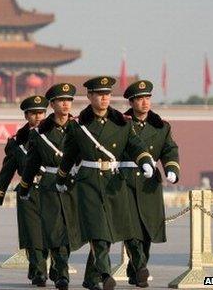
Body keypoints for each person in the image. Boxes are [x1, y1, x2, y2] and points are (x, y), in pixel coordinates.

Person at [55, 76, 155, 290]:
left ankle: (99, 277)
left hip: (114, 182)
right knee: (99, 232)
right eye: (99, 94)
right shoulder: (78, 126)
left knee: (125, 228)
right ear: (89, 96)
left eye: (107, 94)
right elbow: (69, 156)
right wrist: (61, 178)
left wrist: (145, 160)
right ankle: (104, 272)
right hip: (88, 183)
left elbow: (135, 145)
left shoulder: (122, 123)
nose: (104, 98)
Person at [18, 83, 83, 290]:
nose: (66, 104)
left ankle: (57, 268)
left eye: (69, 100)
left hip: (72, 186)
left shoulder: (81, 129)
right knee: (50, 231)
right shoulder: (41, 133)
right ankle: (58, 273)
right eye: (61, 101)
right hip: (48, 186)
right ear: (53, 104)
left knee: (68, 230)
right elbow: (31, 163)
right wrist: (25, 187)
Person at [120, 80, 180, 288]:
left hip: (149, 183)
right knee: (130, 227)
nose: (145, 103)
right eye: (140, 99)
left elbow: (169, 149)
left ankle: (135, 270)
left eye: (148, 98)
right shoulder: (121, 123)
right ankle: (140, 267)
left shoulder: (161, 126)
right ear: (132, 101)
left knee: (146, 230)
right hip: (125, 179)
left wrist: (171, 168)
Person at [0, 95, 50, 287]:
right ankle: (40, 271)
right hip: (28, 190)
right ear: (26, 116)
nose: (38, 116)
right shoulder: (17, 142)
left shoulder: (56, 134)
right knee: (32, 234)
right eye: (34, 113)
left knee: (51, 233)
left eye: (41, 112)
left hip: (51, 189)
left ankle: (41, 267)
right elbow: (8, 169)